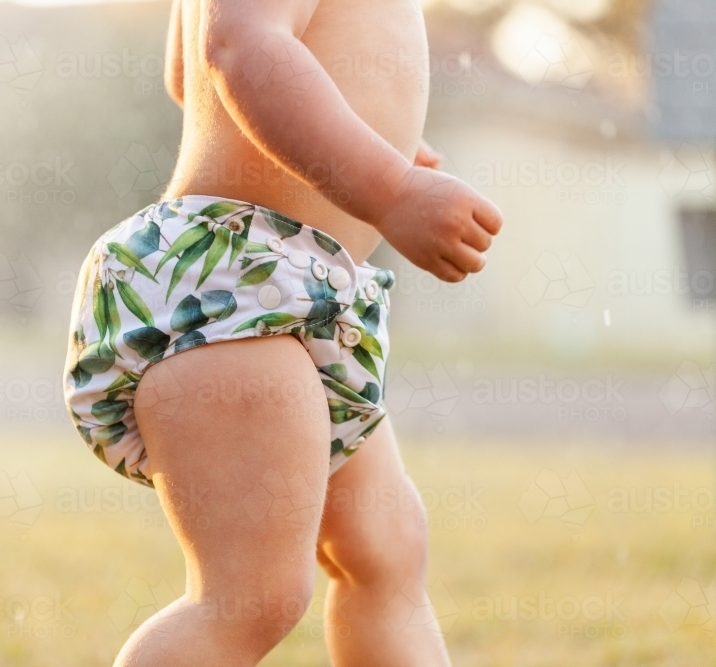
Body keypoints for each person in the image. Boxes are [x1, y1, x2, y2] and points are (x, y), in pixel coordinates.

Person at [64, 0, 503, 664]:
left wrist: (359, 136)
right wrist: (390, 187)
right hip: (231, 280)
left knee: (385, 548)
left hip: (294, 290)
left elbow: (186, 76)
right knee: (251, 595)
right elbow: (239, 49)